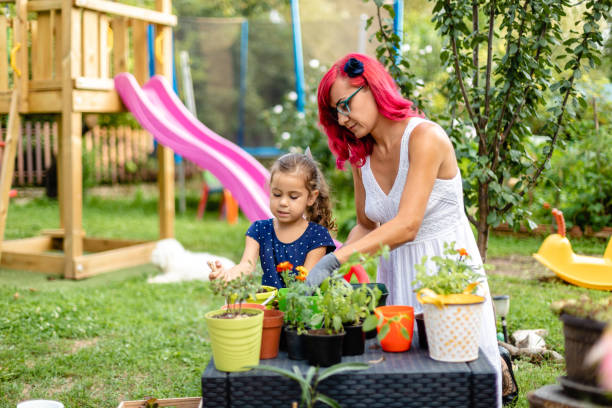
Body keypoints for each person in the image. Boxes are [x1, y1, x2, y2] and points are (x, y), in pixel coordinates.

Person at [305, 53, 502, 406]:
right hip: (397, 275)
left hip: (444, 276)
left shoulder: (425, 138)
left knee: (453, 383)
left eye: (345, 105)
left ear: (372, 87)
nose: (343, 118)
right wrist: (338, 269)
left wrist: (334, 262)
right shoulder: (360, 154)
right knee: (403, 383)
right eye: (335, 112)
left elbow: (408, 224)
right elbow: (367, 224)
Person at [208, 152, 336, 288]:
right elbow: (246, 266)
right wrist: (228, 275)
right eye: (277, 194)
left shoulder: (317, 236)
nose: (283, 202)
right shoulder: (259, 230)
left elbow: (308, 282)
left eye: (293, 196)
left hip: (304, 306)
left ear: (311, 197)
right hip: (269, 306)